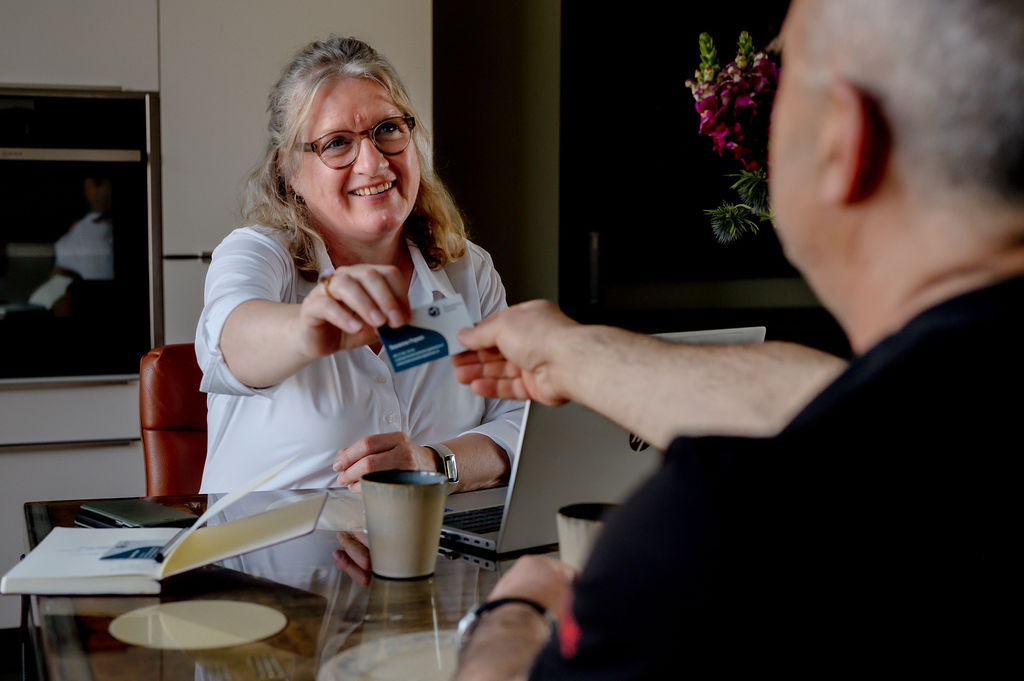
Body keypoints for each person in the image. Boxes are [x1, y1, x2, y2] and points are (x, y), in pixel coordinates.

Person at [450, 0, 1023, 677]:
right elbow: (835, 405)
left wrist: (509, 618)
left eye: (783, 84)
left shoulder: (722, 532)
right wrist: (570, 352)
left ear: (842, 136)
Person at [195, 36, 524, 492]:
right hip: (265, 559)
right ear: (290, 170)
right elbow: (231, 342)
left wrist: (435, 462)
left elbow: (518, 423)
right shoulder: (258, 252)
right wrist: (307, 328)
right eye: (336, 143)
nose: (373, 163)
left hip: (432, 550)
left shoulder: (467, 269)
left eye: (388, 129)